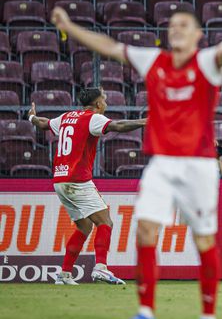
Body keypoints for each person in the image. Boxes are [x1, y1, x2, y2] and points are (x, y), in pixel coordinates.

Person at [51, 0, 222, 319]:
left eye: (184, 25)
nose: (176, 29)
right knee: (146, 231)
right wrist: (69, 27)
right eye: (172, 25)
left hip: (198, 166)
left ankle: (208, 318)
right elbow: (109, 46)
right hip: (161, 164)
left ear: (197, 35)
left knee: (204, 240)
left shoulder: (207, 63)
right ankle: (145, 315)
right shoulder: (155, 61)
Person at [28, 87, 146, 285]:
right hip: (77, 180)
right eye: (105, 99)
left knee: (84, 226)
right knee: (105, 222)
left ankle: (64, 274)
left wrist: (31, 117)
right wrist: (145, 121)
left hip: (60, 180)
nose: (106, 102)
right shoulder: (93, 118)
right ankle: (101, 268)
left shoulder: (66, 117)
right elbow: (119, 125)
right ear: (98, 104)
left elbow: (43, 123)